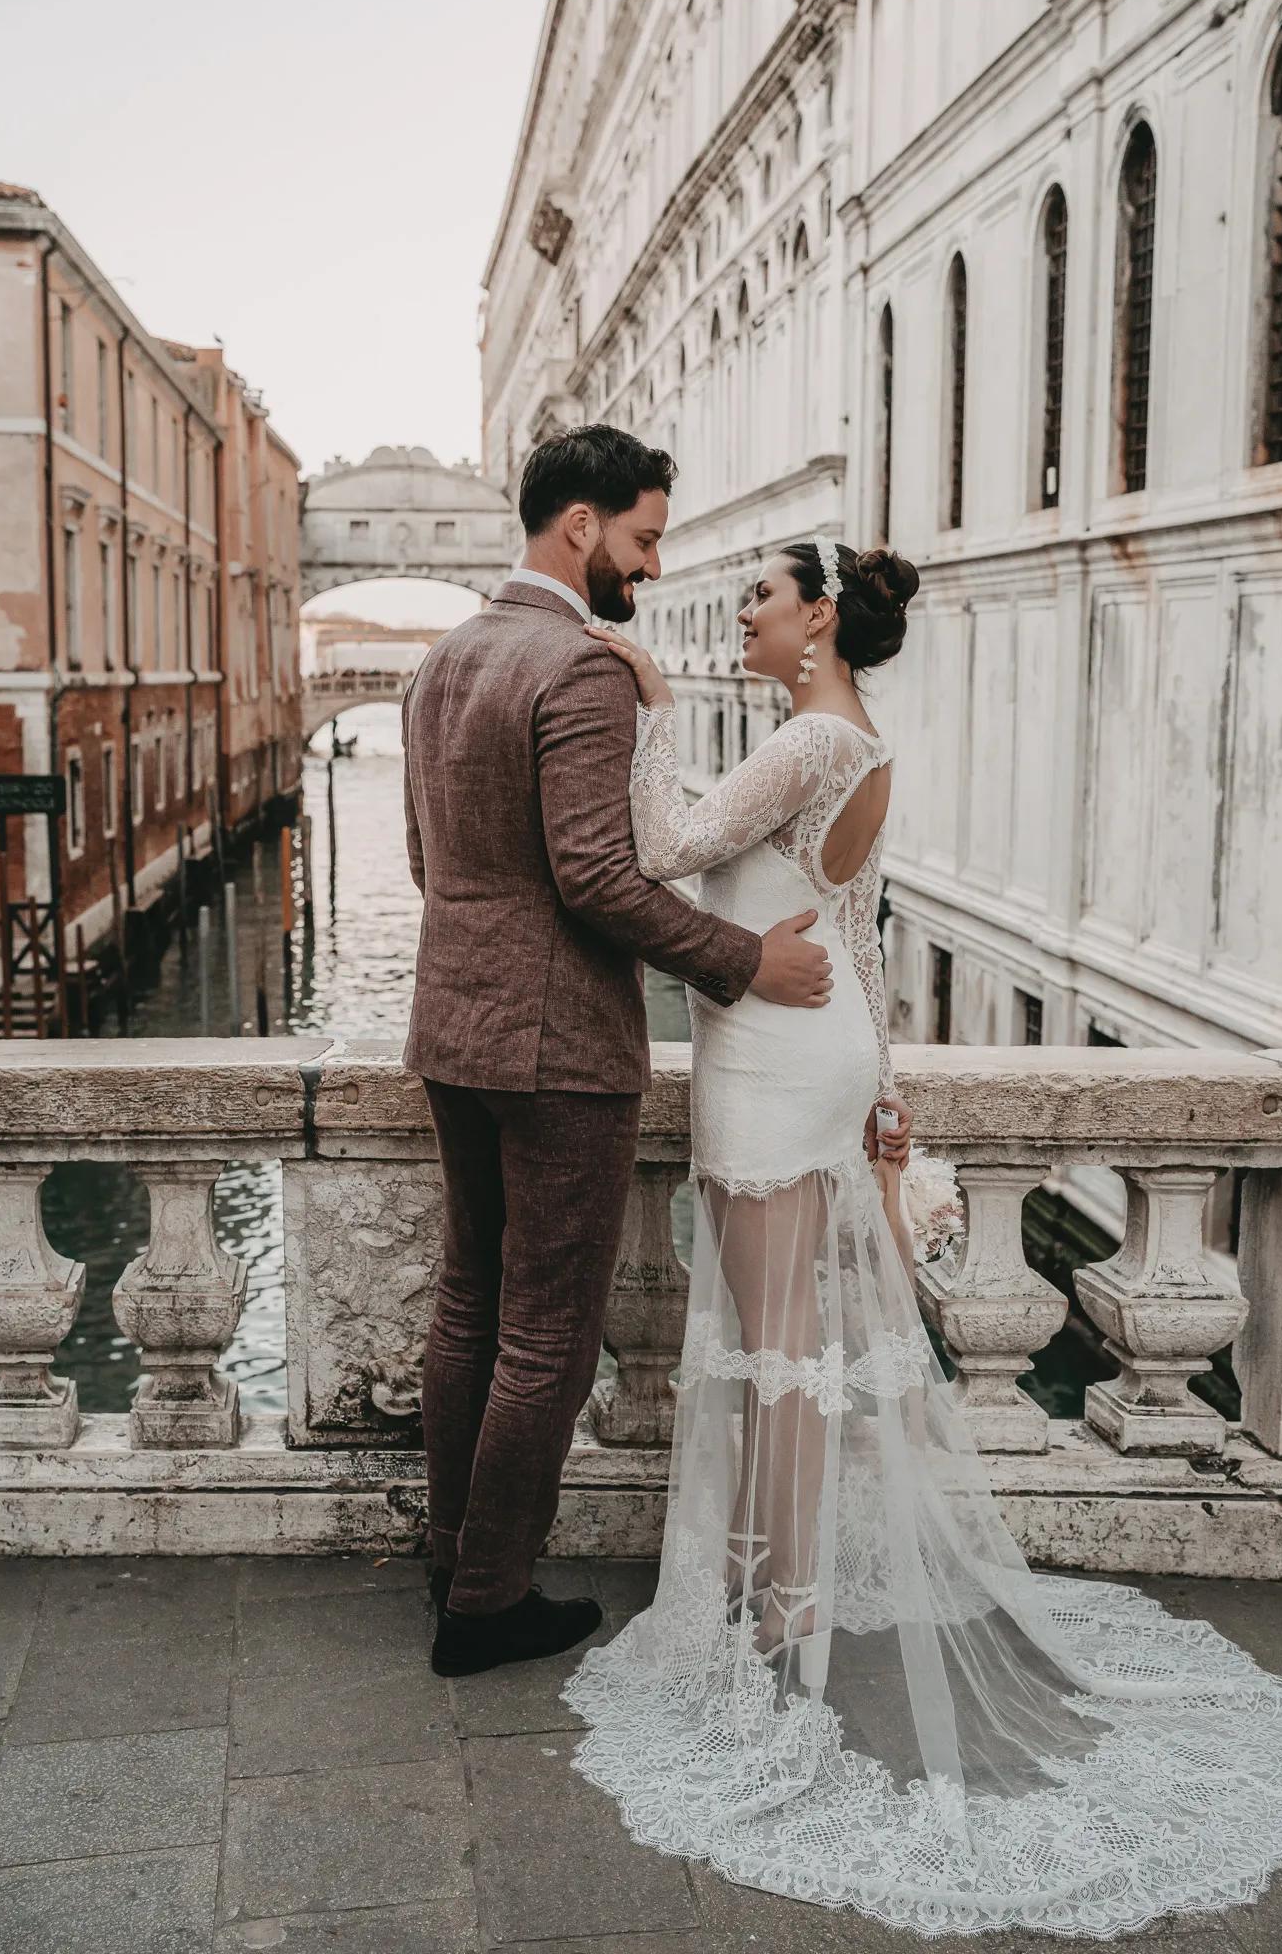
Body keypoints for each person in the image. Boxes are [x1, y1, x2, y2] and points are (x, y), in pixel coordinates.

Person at [562, 533, 1282, 1939]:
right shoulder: (857, 740)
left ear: (817, 624)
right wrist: (889, 1089)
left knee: (772, 1346)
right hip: (828, 1042)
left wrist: (650, 705)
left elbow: (675, 850)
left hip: (772, 1057)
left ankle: (778, 1618)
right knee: (783, 1340)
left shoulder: (805, 737)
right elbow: (856, 933)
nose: (742, 611)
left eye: (762, 595)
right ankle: (774, 1597)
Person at [401, 426, 892, 1679]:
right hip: (558, 1043)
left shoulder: (441, 659)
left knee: (469, 1300)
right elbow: (601, 875)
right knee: (548, 1335)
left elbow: (427, 863)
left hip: (451, 1024)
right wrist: (741, 962)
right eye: (645, 536)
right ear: (582, 526)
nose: (654, 565)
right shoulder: (580, 668)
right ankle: (489, 1596)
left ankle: (454, 1548)